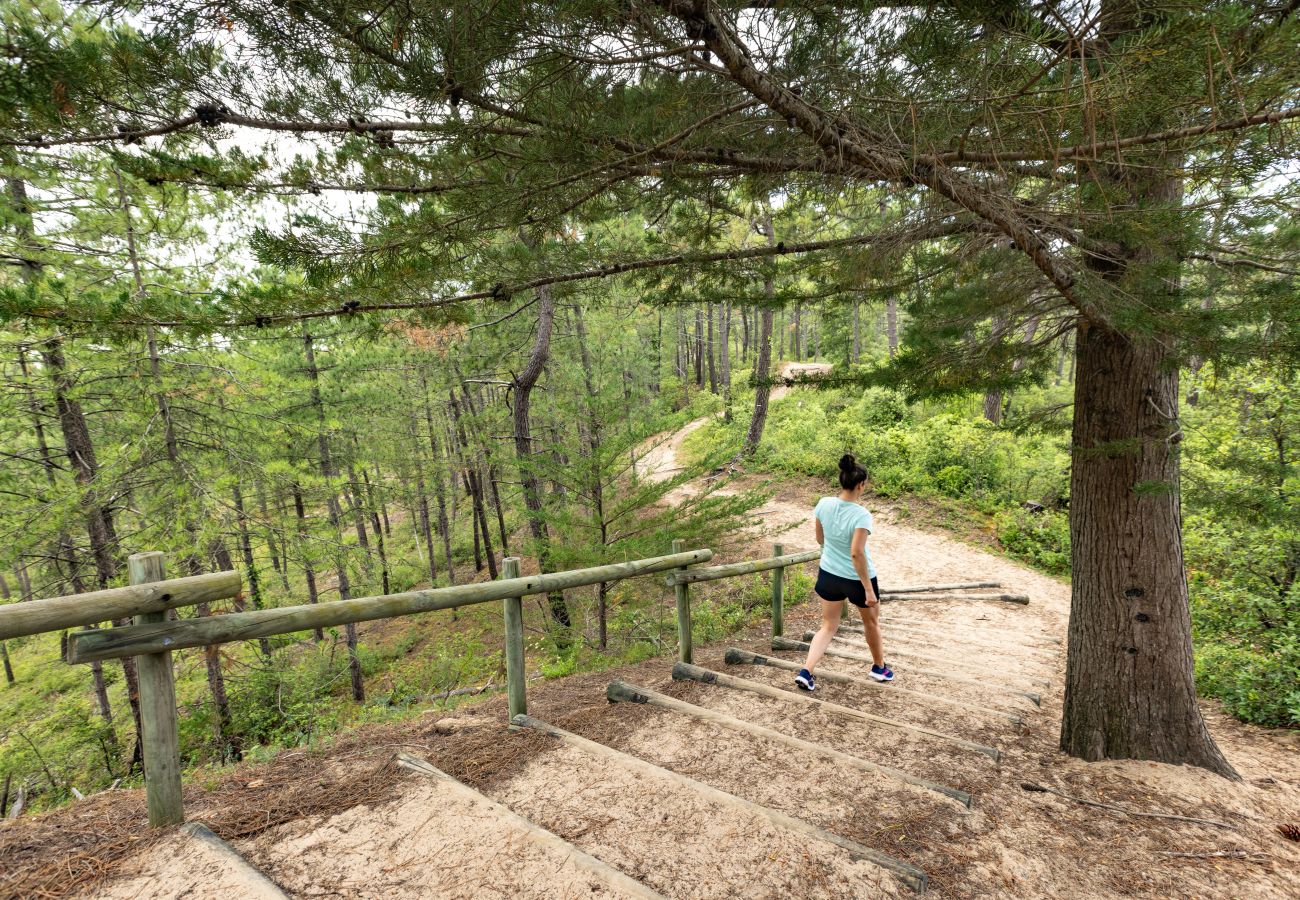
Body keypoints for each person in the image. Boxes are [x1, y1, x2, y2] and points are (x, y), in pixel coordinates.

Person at [795, 453, 892, 691]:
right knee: (871, 623)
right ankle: (879, 668)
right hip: (857, 579)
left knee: (828, 626)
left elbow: (820, 539)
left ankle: (806, 672)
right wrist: (869, 589)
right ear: (861, 485)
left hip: (828, 574)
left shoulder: (823, 504)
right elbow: (857, 553)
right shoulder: (861, 515)